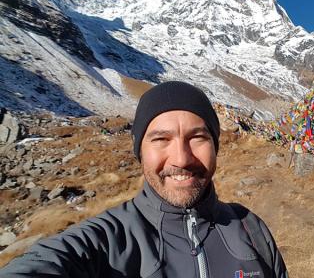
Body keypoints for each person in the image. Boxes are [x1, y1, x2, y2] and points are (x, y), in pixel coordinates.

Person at [0, 81, 288, 278]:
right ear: (140, 151)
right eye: (161, 139)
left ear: (215, 145)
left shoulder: (251, 228)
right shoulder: (106, 241)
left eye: (198, 137)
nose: (181, 158)